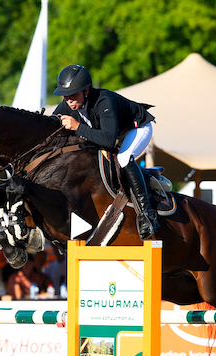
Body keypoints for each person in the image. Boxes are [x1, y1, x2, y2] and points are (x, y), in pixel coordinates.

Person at [52, 64, 159, 240]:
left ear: (86, 91)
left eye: (73, 95)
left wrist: (77, 127)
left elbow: (108, 139)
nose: (69, 100)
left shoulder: (104, 101)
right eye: (65, 96)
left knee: (124, 158)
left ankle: (147, 215)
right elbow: (50, 125)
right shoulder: (68, 105)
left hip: (137, 128)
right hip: (115, 134)